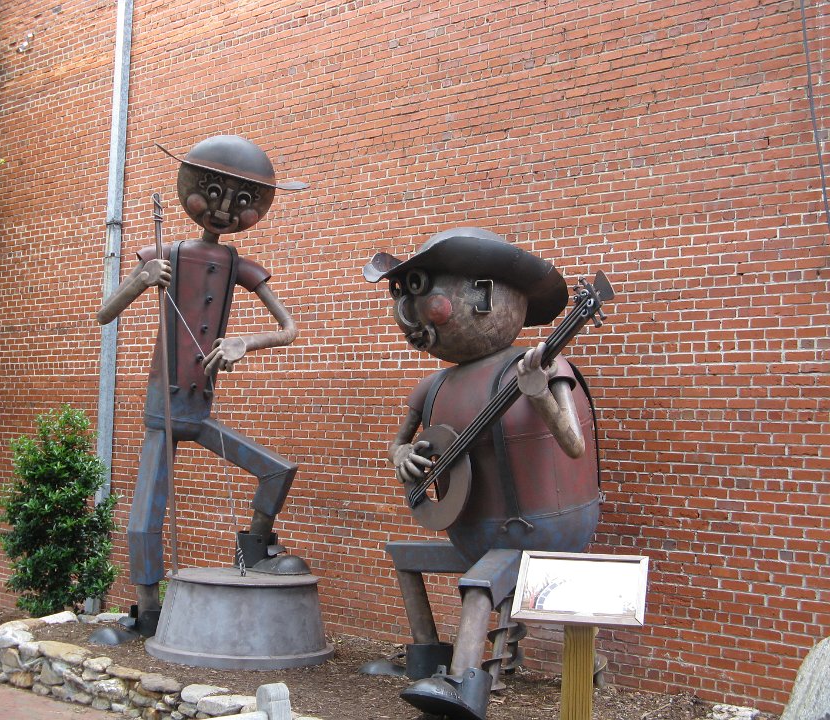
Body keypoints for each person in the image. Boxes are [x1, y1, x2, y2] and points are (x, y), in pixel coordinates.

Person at [363, 227, 601, 720]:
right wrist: (401, 455)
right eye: (402, 302)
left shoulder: (542, 366)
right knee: (405, 558)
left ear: (486, 295)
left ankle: (464, 684)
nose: (411, 317)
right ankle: (425, 656)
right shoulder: (433, 386)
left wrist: (537, 394)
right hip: (471, 529)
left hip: (535, 528)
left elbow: (574, 446)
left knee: (478, 588)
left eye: (423, 296)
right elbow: (398, 442)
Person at [97, 135, 308, 636]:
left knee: (277, 471)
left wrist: (243, 342)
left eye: (241, 201)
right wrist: (141, 279)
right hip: (164, 408)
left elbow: (289, 328)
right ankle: (147, 608)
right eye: (212, 193)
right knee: (144, 518)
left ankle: (254, 550)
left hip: (199, 409)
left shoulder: (237, 265)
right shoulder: (165, 253)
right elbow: (105, 313)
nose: (223, 210)